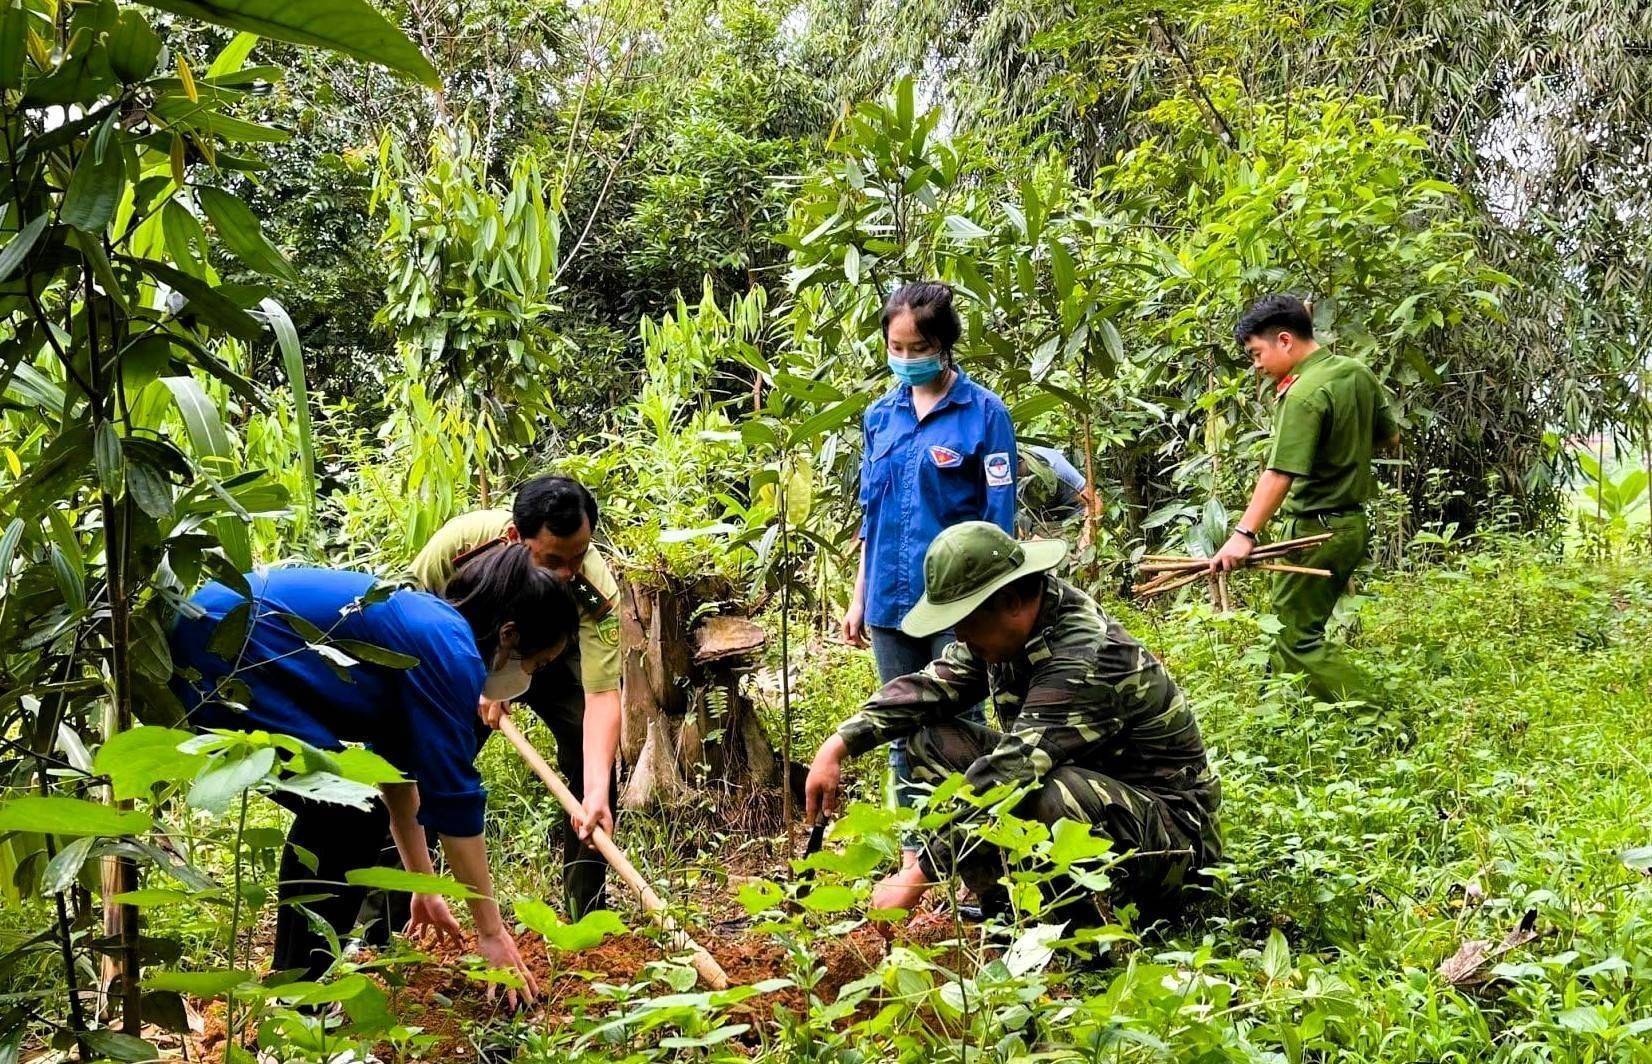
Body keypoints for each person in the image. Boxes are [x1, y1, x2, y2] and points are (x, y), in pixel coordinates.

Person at [169, 544, 578, 1004]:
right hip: (220, 650)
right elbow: (454, 800)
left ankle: (293, 985)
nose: (530, 678)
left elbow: (398, 774)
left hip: (212, 637)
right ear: (508, 636)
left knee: (343, 812)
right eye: (537, 664)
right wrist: (491, 932)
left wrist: (422, 885)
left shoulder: (433, 630)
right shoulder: (450, 648)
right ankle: (298, 995)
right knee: (344, 813)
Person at [808, 522, 1222, 925]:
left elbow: (1012, 771)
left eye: (966, 622)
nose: (961, 636)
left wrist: (917, 875)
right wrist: (839, 744)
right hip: (1100, 801)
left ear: (1009, 601)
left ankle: (1082, 931)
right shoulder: (1014, 625)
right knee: (931, 739)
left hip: (1172, 844)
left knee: (1046, 795)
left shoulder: (1084, 656)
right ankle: (1005, 908)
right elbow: (932, 687)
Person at [841, 281, 1018, 850]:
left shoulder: (985, 415)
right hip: (890, 600)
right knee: (899, 725)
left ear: (944, 345)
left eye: (919, 348)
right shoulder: (879, 416)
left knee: (956, 726)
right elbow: (873, 509)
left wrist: (993, 603)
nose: (907, 359)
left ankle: (966, 850)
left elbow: (998, 516)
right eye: (897, 347)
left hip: (955, 604)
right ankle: (918, 855)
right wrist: (858, 593)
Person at [409, 475, 621, 917]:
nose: (567, 572)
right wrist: (477, 682)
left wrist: (597, 788)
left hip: (554, 655)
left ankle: (586, 914)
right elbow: (415, 622)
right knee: (429, 758)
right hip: (462, 654)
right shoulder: (458, 549)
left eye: (577, 556)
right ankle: (393, 912)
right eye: (552, 559)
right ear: (514, 538)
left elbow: (602, 695)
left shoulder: (592, 588)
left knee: (592, 761)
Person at [1208, 295, 1399, 705]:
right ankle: (1287, 716)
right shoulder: (1355, 372)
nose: (1255, 365)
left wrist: (1243, 534)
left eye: (1256, 354)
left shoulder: (1302, 394)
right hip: (1350, 525)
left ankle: (1380, 716)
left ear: (1284, 340)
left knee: (1296, 637)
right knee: (1286, 627)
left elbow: (1279, 474)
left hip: (1316, 528)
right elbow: (1390, 436)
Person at [1018, 444, 1101, 548]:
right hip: (1038, 518)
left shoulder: (1057, 467)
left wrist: (1086, 538)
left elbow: (1094, 502)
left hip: (1072, 513)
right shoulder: (1000, 477)